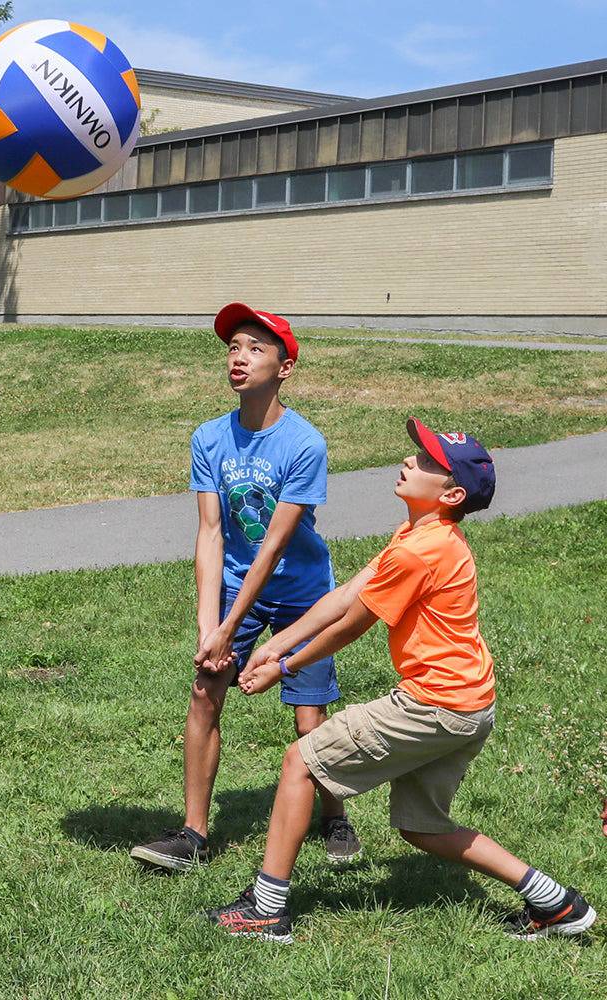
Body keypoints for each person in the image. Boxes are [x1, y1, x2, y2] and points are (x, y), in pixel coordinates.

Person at [204, 418, 597, 942]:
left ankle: (266, 909)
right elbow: (347, 594)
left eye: (428, 461)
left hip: (434, 704)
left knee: (301, 762)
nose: (411, 460)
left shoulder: (420, 550)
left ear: (451, 494)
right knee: (421, 827)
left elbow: (354, 623)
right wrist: (276, 645)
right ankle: (557, 903)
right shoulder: (420, 534)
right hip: (469, 705)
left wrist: (284, 667)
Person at [130, 303, 360, 872]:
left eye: (256, 348)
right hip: (236, 585)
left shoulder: (304, 443)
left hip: (302, 590)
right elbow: (210, 533)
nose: (240, 357)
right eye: (234, 347)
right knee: (205, 689)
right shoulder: (209, 438)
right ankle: (193, 834)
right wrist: (210, 627)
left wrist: (229, 626)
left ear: (285, 368)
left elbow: (275, 545)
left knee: (308, 715)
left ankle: (333, 815)